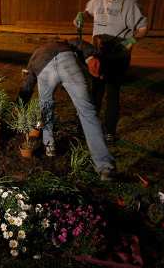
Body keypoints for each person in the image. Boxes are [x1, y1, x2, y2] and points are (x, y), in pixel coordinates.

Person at [17, 40, 116, 181]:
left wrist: (19, 106)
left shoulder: (35, 57)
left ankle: (49, 148)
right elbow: (84, 46)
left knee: (46, 107)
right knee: (87, 113)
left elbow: (27, 85)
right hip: (67, 62)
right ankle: (105, 166)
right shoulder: (65, 43)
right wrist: (92, 56)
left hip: (44, 68)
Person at [75, 0, 147, 144]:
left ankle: (109, 131)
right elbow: (87, 11)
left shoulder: (130, 4)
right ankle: (88, 127)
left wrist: (130, 42)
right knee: (95, 92)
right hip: (99, 52)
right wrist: (81, 15)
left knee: (112, 93)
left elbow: (143, 28)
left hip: (117, 55)